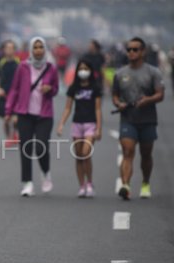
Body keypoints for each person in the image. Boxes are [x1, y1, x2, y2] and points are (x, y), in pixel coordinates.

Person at [5, 36, 59, 196]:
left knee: (41, 146)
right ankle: (27, 183)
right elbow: (14, 89)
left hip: (44, 114)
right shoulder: (23, 67)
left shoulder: (51, 68)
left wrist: (50, 89)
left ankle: (46, 173)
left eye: (41, 47)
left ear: (45, 49)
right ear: (31, 50)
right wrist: (9, 111)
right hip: (25, 114)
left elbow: (56, 88)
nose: (38, 50)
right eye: (35, 47)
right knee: (26, 149)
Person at [112, 37, 164, 200]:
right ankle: (125, 185)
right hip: (128, 119)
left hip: (148, 119)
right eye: (129, 50)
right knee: (128, 151)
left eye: (135, 49)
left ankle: (145, 183)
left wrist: (148, 100)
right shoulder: (120, 73)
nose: (131, 53)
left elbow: (160, 94)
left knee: (146, 154)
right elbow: (115, 95)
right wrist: (118, 103)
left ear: (143, 52)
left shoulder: (153, 72)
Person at [56, 59, 102, 197]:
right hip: (77, 124)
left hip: (90, 124)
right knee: (78, 156)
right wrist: (61, 124)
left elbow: (98, 109)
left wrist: (99, 128)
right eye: (81, 68)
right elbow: (67, 108)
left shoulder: (95, 88)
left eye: (86, 68)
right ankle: (82, 185)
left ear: (90, 71)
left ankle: (90, 183)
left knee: (86, 153)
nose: (83, 71)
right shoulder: (73, 88)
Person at [0, 40, 20, 146]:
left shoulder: (19, 63)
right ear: (4, 50)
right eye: (7, 48)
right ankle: (9, 137)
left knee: (16, 120)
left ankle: (14, 134)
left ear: (15, 50)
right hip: (4, 95)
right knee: (6, 120)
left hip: (17, 96)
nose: (9, 50)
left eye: (11, 48)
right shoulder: (0, 63)